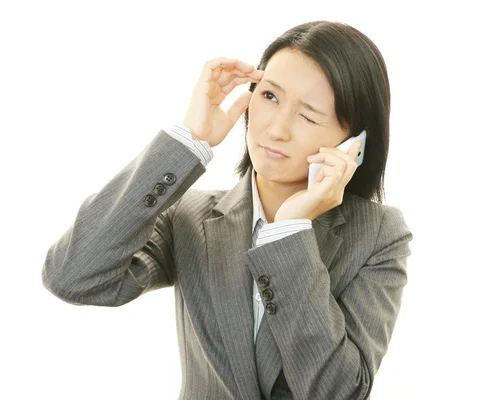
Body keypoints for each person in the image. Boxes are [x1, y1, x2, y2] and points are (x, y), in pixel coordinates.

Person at [42, 20, 414, 400]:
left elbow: (338, 391)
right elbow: (73, 277)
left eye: (308, 115)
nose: (275, 129)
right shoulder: (190, 215)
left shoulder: (380, 236)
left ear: (355, 141)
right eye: (269, 97)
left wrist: (288, 233)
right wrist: (190, 141)